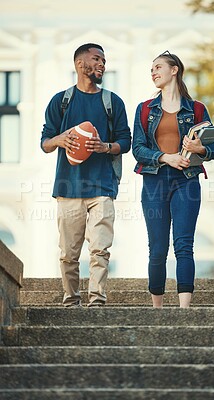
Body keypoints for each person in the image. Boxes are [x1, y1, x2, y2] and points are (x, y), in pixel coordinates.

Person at [41, 43, 131, 307]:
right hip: (68, 189)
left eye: (104, 60)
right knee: (69, 253)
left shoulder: (112, 102)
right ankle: (71, 300)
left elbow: (125, 141)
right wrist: (60, 139)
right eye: (97, 59)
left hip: (103, 187)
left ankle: (97, 300)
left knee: (100, 249)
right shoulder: (61, 101)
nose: (103, 64)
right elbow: (45, 142)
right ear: (80, 65)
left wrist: (106, 147)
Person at [132, 50, 214, 308]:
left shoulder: (196, 109)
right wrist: (166, 157)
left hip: (187, 182)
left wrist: (200, 150)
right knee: (157, 248)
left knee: (184, 244)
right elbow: (138, 149)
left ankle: (184, 311)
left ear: (174, 70)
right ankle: (157, 310)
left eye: (158, 67)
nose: (153, 72)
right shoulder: (145, 109)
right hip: (154, 182)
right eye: (151, 69)